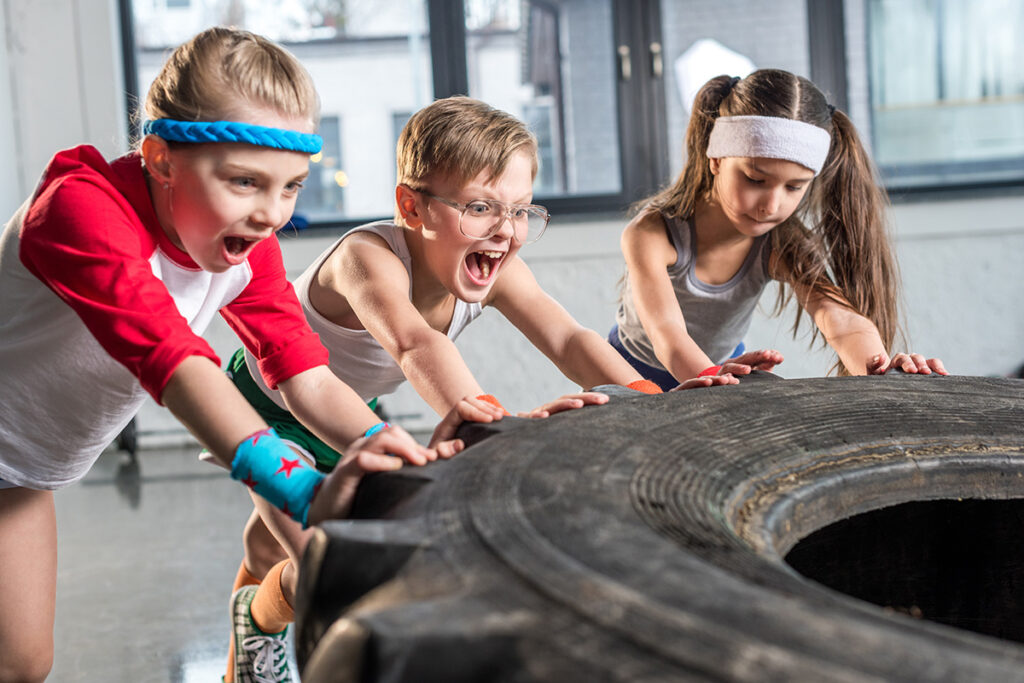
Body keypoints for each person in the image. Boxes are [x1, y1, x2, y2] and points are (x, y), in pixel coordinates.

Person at [220, 95, 740, 682]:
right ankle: (257, 626)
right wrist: (492, 425)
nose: (505, 231)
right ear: (411, 206)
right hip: (268, 408)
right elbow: (415, 344)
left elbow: (568, 338)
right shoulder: (366, 258)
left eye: (519, 211)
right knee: (327, 566)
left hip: (347, 404)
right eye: (479, 208)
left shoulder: (497, 267)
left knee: (267, 546)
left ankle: (249, 614)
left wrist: (651, 399)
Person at [0, 27, 443, 683]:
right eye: (245, 181)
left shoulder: (244, 247)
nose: (272, 214)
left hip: (19, 472)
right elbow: (173, 361)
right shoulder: (81, 209)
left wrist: (392, 453)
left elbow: (303, 372)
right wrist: (300, 488)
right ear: (161, 159)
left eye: (290, 187)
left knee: (21, 664)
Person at [610, 69, 947, 391]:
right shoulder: (651, 234)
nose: (771, 206)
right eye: (755, 179)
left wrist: (881, 368)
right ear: (716, 159)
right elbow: (667, 333)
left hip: (723, 371)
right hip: (631, 373)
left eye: (794, 187)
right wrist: (712, 379)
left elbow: (839, 319)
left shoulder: (779, 242)